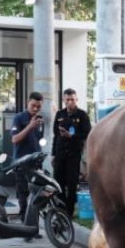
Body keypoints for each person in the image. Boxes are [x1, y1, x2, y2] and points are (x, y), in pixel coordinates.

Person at [51, 88, 92, 217]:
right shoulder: (60, 114)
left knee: (72, 183)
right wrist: (53, 154)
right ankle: (61, 208)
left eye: (72, 100)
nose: (70, 102)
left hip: (73, 155)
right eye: (67, 100)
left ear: (76, 100)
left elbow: (87, 133)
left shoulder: (82, 115)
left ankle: (69, 211)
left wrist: (72, 136)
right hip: (60, 153)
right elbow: (56, 135)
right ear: (63, 100)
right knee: (58, 182)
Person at [11, 92, 45, 230]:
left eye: (38, 106)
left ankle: (33, 225)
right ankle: (25, 226)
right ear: (27, 103)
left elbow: (38, 140)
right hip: (21, 162)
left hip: (35, 162)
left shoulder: (39, 119)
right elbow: (14, 140)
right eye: (33, 106)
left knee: (37, 194)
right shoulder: (19, 118)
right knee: (23, 194)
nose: (36, 109)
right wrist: (30, 127)